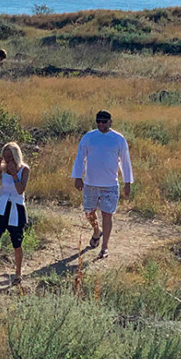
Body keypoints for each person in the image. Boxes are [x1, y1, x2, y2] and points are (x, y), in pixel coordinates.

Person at [71, 109, 133, 260]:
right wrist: (77, 177)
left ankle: (104, 247)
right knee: (89, 212)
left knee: (107, 214)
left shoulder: (118, 139)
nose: (101, 124)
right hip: (91, 183)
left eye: (104, 121)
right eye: (98, 121)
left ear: (110, 122)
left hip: (110, 185)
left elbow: (125, 161)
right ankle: (96, 230)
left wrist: (127, 182)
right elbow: (80, 157)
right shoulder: (89, 137)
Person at [0, 142, 29, 289]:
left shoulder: (24, 169)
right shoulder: (2, 169)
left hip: (16, 207)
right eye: (6, 156)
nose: (8, 159)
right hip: (1, 206)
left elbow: (21, 190)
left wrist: (14, 174)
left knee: (17, 242)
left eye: (11, 157)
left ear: (16, 156)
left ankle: (18, 272)